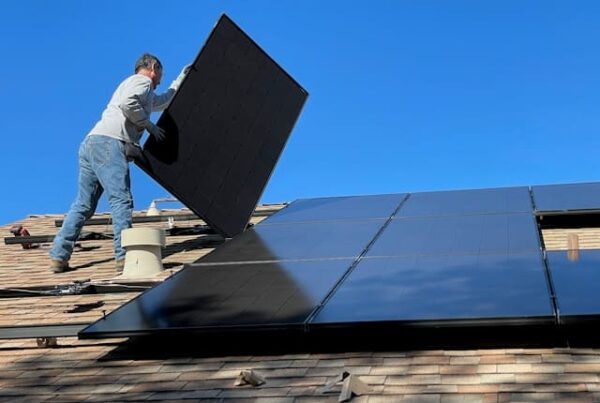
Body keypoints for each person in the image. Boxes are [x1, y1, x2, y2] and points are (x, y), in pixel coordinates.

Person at [49, 53, 189, 274]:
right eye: (161, 73)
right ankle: (124, 258)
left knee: (83, 205)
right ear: (153, 67)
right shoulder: (142, 81)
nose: (160, 79)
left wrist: (180, 80)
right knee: (121, 200)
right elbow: (128, 104)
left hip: (92, 143)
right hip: (109, 143)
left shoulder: (134, 85)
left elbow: (161, 102)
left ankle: (59, 256)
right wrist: (148, 126)